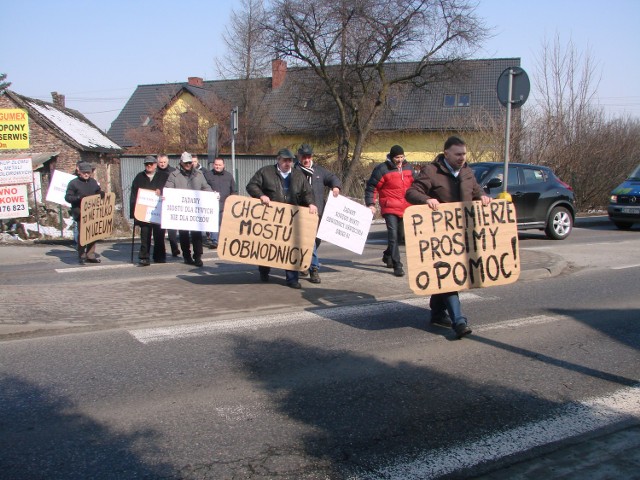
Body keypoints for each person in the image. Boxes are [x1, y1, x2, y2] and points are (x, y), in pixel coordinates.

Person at [405, 135, 492, 339]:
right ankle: (459, 321)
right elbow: (411, 192)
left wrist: (485, 198)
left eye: (464, 154)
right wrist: (427, 199)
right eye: (458, 154)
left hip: (463, 234)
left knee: (444, 276)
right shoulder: (431, 171)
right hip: (439, 237)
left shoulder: (468, 172)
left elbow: (476, 191)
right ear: (446, 154)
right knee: (450, 276)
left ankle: (437, 313)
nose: (462, 157)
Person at [246, 148, 318, 289]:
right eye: (285, 160)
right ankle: (264, 270)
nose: (287, 163)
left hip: (291, 218)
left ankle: (292, 279)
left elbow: (307, 192)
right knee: (267, 247)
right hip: (270, 217)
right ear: (278, 160)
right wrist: (261, 195)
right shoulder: (266, 172)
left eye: (290, 160)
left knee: (291, 248)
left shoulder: (298, 175)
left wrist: (311, 203)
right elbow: (251, 185)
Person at [364, 144, 416, 277]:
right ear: (391, 157)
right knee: (392, 235)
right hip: (389, 207)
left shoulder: (409, 168)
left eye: (401, 157)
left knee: (398, 237)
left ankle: (388, 255)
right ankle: (397, 265)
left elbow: (417, 185)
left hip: (405, 207)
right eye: (397, 157)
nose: (399, 160)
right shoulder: (382, 169)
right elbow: (372, 187)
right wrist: (371, 203)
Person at [294, 143, 341, 284]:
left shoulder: (318, 171)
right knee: (311, 241)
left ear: (311, 157)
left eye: (308, 157)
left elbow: (332, 177)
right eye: (303, 157)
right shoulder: (294, 172)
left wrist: (336, 186)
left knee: (316, 240)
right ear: (299, 157)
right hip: (301, 212)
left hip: (318, 212)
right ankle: (314, 269)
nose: (306, 160)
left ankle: (304, 263)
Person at [164, 151, 213, 267]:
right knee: (184, 235)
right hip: (182, 211)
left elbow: (206, 187)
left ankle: (198, 256)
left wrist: (212, 195)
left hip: (196, 211)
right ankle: (187, 256)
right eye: (185, 163)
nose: (188, 165)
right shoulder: (174, 175)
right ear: (181, 162)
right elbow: (168, 189)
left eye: (189, 162)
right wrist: (165, 194)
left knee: (197, 235)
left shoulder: (199, 175)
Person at [130, 156, 169, 266]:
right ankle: (144, 257)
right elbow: (133, 195)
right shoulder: (139, 177)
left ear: (155, 165)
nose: (149, 166)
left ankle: (159, 256)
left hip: (158, 212)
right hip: (144, 213)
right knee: (145, 235)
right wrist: (134, 212)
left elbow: (169, 191)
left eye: (151, 164)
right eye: (147, 164)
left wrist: (161, 192)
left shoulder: (163, 176)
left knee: (159, 235)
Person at [65, 162, 104, 265]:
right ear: (80, 173)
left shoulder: (93, 182)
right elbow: (68, 197)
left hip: (93, 213)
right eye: (84, 172)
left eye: (88, 172)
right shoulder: (73, 183)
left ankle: (90, 255)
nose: (86, 174)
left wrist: (101, 193)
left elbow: (97, 191)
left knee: (93, 234)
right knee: (83, 235)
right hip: (80, 213)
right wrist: (78, 198)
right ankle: (81, 255)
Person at [202, 157, 237, 249]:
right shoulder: (207, 175)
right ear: (213, 165)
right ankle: (215, 241)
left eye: (219, 165)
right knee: (214, 223)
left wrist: (232, 200)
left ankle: (223, 240)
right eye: (216, 165)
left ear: (223, 165)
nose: (217, 166)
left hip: (225, 204)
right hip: (212, 205)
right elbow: (202, 187)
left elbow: (234, 190)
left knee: (223, 224)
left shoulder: (229, 176)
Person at [156, 154, 180, 257]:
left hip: (171, 202)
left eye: (164, 162)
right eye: (160, 162)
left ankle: (174, 249)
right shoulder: (155, 172)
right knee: (159, 229)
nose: (162, 164)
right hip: (157, 202)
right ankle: (161, 250)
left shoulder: (173, 172)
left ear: (167, 161)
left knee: (172, 229)